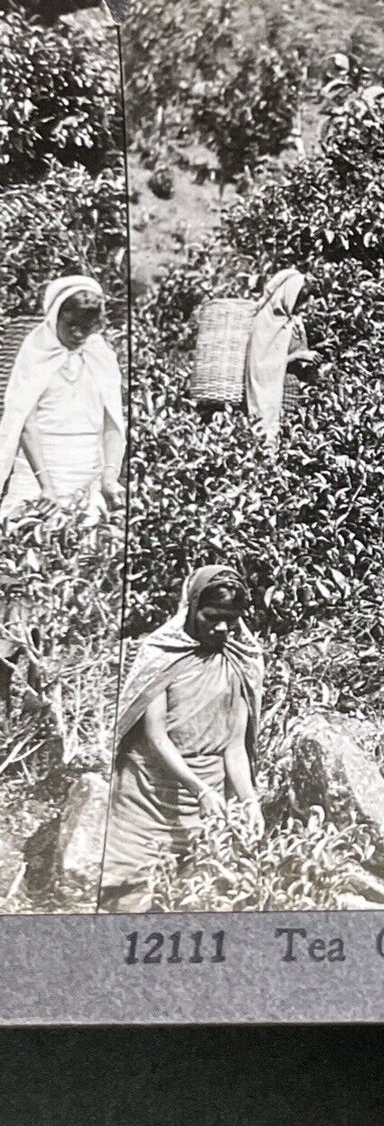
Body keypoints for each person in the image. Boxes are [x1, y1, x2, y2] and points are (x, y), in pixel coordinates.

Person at [100, 566, 264, 912]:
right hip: (147, 799)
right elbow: (155, 735)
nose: (222, 628)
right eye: (212, 617)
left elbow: (233, 746)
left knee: (200, 897)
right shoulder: (161, 655)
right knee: (130, 900)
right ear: (190, 608)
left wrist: (249, 801)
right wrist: (198, 788)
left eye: (231, 620)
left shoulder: (237, 662)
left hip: (206, 806)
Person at [0, 275, 125, 521]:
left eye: (87, 327)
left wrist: (109, 476)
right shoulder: (36, 352)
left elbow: (113, 422)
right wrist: (46, 486)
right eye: (71, 325)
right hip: (38, 472)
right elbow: (26, 422)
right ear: (55, 316)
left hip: (86, 472)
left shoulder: (101, 355)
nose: (78, 334)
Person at [244, 267, 316, 448]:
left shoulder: (291, 322)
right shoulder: (265, 321)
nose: (302, 306)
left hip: (292, 395)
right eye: (299, 301)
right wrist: (298, 356)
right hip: (272, 396)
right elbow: (261, 366)